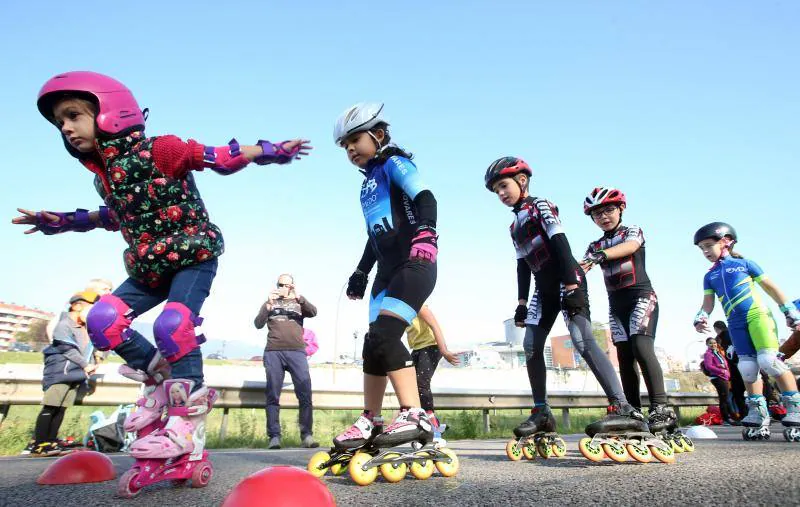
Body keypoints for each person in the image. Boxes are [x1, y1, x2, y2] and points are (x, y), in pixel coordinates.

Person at [14, 71, 311, 471]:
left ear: (109, 113)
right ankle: (161, 377)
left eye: (73, 115)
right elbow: (115, 217)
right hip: (149, 267)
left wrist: (273, 150)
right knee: (103, 320)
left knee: (172, 325)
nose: (66, 127)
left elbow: (219, 157)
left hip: (192, 257)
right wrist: (64, 221)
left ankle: (184, 417)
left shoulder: (162, 150)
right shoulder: (108, 179)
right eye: (59, 123)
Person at [485, 158, 645, 441]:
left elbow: (560, 241)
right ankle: (541, 413)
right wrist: (521, 303)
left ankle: (623, 408)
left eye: (503, 185)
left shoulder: (540, 206)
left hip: (566, 279)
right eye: (496, 189)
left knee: (582, 341)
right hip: (542, 289)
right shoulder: (514, 226)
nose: (500, 193)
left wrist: (571, 283)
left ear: (522, 181)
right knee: (531, 345)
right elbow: (523, 263)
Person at [333, 102, 439, 449]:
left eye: (354, 140)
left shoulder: (395, 163)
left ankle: (415, 413)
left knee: (386, 333)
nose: (350, 149)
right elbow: (374, 234)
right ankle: (371, 420)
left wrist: (426, 233)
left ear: (377, 135)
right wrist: (361, 272)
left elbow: (426, 197)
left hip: (415, 262)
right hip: (384, 271)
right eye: (344, 146)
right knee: (373, 344)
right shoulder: (367, 184)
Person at [580, 187, 676, 434]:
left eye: (609, 210)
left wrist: (600, 256)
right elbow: (581, 269)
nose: (604, 217)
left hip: (641, 298)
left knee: (641, 348)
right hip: (616, 306)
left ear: (621, 208)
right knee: (623, 357)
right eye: (597, 214)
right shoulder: (594, 245)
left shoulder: (631, 232)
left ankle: (661, 408)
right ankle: (631, 411)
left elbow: (631, 247)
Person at [693, 222, 800, 437]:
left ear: (726, 241)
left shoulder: (746, 265)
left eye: (708, 245)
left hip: (758, 316)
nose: (705, 251)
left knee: (770, 361)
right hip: (735, 322)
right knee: (748, 368)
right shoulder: (709, 276)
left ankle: (795, 409)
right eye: (701, 248)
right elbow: (708, 302)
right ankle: (758, 413)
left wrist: (788, 310)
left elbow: (771, 288)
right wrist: (701, 316)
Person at [27, 291, 99, 456]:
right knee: (50, 407)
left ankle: (51, 441)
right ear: (76, 306)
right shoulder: (64, 325)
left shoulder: (85, 329)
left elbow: (89, 349)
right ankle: (39, 443)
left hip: (74, 374)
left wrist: (93, 362)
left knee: (61, 409)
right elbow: (66, 349)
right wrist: (85, 365)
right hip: (60, 372)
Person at [254, 274, 319, 449]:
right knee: (273, 395)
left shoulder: (299, 303)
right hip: (274, 352)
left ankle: (307, 435)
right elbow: (258, 324)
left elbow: (313, 312)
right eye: (280, 284)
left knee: (305, 394)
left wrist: (299, 297)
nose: (284, 288)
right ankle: (274, 436)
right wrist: (267, 305)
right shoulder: (270, 303)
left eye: (288, 285)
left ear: (293, 286)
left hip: (297, 352)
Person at [405, 305, 460, 442]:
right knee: (410, 385)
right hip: (417, 348)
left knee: (421, 383)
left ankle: (432, 422)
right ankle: (423, 423)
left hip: (431, 346)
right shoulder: (402, 309)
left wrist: (444, 351)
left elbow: (435, 325)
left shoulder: (419, 304)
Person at [713, 321, 747, 420]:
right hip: (745, 364)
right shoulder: (734, 334)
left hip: (731, 369)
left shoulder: (719, 339)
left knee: (737, 394)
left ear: (716, 329)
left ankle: (742, 415)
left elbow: (721, 356)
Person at [701, 336, 735, 425]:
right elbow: (709, 366)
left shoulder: (717, 353)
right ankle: (726, 419)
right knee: (724, 398)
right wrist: (721, 370)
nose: (713, 344)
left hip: (724, 377)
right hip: (717, 377)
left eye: (714, 343)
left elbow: (725, 365)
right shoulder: (708, 354)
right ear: (707, 344)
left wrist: (727, 373)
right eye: (710, 343)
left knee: (726, 398)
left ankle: (731, 417)